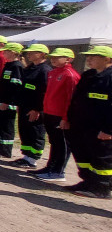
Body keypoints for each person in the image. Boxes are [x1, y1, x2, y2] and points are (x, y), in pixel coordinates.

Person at [63, 45, 112, 199]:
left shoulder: (110, 77)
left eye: (94, 56)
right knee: (83, 154)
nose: (89, 59)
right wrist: (68, 118)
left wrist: (109, 129)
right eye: (88, 56)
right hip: (82, 124)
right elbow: (76, 99)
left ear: (107, 59)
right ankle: (88, 181)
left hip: (101, 128)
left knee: (101, 157)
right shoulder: (88, 75)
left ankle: (102, 188)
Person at [30, 48, 80, 183]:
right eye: (52, 57)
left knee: (62, 144)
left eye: (58, 57)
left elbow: (71, 99)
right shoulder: (52, 72)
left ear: (68, 59)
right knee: (54, 142)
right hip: (49, 113)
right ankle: (50, 167)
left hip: (60, 115)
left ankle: (58, 171)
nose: (53, 59)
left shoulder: (70, 75)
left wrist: (66, 118)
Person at [12, 44, 51, 167]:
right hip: (25, 105)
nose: (28, 55)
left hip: (35, 108)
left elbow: (44, 92)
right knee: (25, 131)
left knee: (36, 132)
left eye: (32, 52)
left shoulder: (45, 70)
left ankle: (33, 158)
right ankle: (26, 156)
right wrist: (19, 103)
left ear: (41, 54)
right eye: (28, 52)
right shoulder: (30, 68)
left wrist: (38, 109)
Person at [0, 42, 24, 159]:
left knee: (6, 127)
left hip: (8, 104)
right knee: (0, 126)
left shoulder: (17, 66)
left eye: (6, 51)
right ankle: (0, 147)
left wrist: (7, 102)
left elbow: (15, 87)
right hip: (1, 101)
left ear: (14, 53)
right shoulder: (8, 65)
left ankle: (6, 150)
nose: (4, 53)